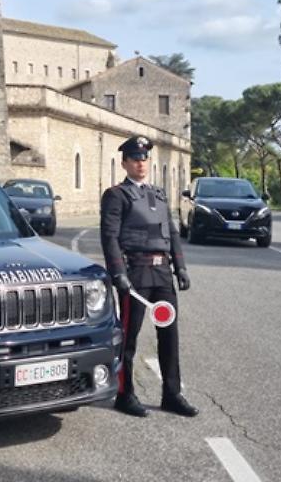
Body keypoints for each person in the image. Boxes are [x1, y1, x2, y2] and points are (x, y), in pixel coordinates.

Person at [100, 135, 198, 418]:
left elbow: (172, 233)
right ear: (125, 163)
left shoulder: (159, 194)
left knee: (170, 335)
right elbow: (110, 238)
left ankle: (172, 393)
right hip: (136, 274)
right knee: (129, 338)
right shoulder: (116, 195)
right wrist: (118, 273)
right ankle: (124, 393)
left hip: (162, 273)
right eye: (135, 159)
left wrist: (180, 268)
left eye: (144, 159)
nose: (140, 164)